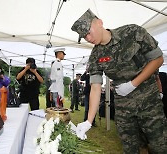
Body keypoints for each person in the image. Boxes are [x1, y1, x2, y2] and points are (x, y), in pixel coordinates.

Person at [71, 9, 167, 153]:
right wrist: (89, 121)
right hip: (124, 108)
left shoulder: (133, 32)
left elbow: (158, 59)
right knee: (130, 149)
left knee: (160, 146)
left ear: (99, 23)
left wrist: (133, 84)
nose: (88, 38)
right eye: (84, 36)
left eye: (88, 32)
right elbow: (95, 88)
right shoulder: (95, 56)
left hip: (149, 102)